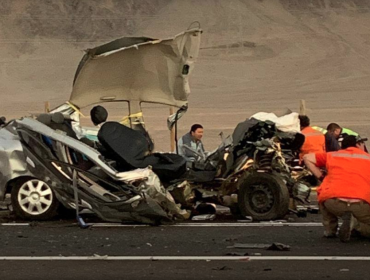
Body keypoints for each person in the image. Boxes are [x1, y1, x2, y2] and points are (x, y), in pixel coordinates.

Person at [303, 135, 370, 242]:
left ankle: (330, 230)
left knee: (324, 189)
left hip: (334, 203)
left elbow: (307, 158)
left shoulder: (332, 155)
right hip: (361, 205)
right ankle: (356, 228)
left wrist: (321, 176)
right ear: (358, 145)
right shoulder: (368, 158)